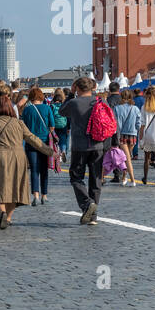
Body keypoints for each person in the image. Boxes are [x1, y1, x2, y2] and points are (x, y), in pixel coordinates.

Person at [0, 92, 52, 228]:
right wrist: (50, 152)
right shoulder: (19, 123)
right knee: (14, 189)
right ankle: (9, 218)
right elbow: (33, 139)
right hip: (18, 158)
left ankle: (2, 213)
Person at [60, 78, 105, 224]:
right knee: (95, 180)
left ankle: (87, 204)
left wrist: (70, 94)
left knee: (76, 177)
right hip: (98, 145)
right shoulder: (100, 102)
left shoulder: (74, 103)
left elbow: (62, 111)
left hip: (80, 146)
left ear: (77, 88)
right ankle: (93, 216)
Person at [20, 87, 55, 204]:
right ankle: (44, 195)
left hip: (31, 143)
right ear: (41, 97)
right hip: (44, 142)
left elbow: (23, 127)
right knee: (44, 169)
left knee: (34, 169)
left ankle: (35, 194)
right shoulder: (47, 108)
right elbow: (52, 126)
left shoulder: (27, 110)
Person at [112, 89, 142, 186]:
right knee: (127, 156)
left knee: (127, 158)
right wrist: (136, 129)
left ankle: (133, 179)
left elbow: (116, 123)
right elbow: (138, 123)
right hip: (133, 134)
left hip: (122, 135)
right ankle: (124, 177)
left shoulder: (117, 108)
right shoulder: (135, 108)